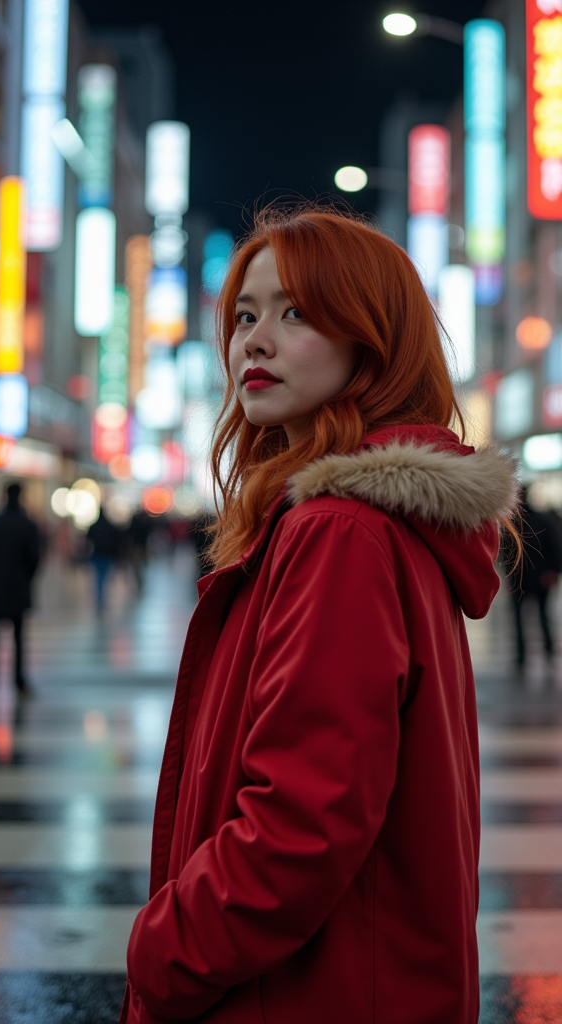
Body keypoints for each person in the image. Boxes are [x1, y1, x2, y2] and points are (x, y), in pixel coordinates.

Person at [120, 205, 518, 1024]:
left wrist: (161, 954)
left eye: (296, 313)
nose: (253, 341)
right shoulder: (364, 526)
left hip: (305, 994)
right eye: (244, 315)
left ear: (373, 340)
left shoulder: (338, 531)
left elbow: (301, 825)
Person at [0, 482, 40, 697]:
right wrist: (26, 578)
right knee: (18, 637)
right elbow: (34, 559)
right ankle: (19, 680)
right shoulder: (27, 525)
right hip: (18, 588)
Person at [506, 487, 561, 668]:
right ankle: (543, 650)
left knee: (524, 617)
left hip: (524, 577)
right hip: (533, 577)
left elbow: (505, 553)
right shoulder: (538, 520)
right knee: (539, 615)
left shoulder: (513, 523)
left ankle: (526, 654)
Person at [86, 506, 121, 612]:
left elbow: (88, 539)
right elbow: (116, 541)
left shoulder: (93, 526)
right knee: (103, 576)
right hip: (107, 555)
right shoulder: (110, 526)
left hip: (96, 554)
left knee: (98, 576)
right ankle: (101, 598)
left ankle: (100, 598)